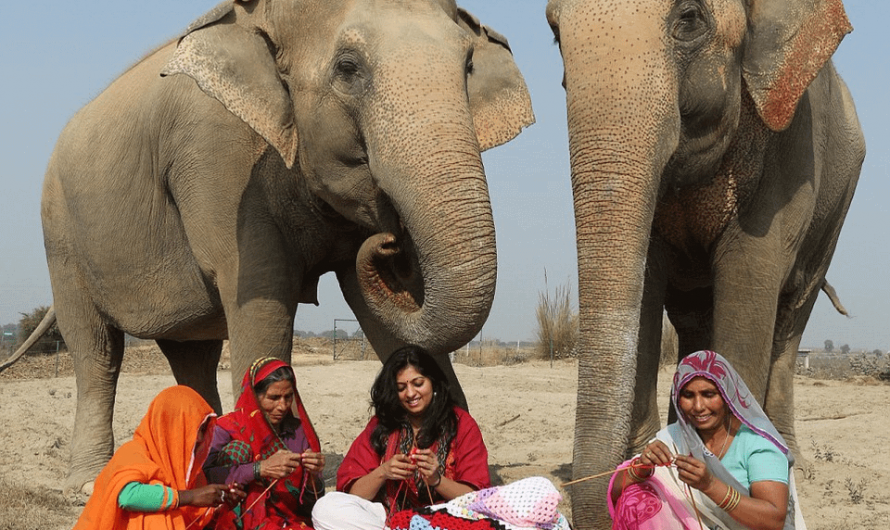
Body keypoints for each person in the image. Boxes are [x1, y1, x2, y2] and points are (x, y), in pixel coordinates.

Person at [608, 350, 806, 530]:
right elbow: (617, 490)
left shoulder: (757, 443)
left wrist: (710, 486)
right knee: (637, 497)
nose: (698, 406)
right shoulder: (676, 437)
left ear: (727, 395)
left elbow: (773, 520)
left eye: (708, 394)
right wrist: (641, 468)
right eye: (688, 395)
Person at [311, 345, 490, 530]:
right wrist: (383, 472)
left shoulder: (461, 424)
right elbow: (353, 494)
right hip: (389, 518)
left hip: (445, 519)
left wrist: (437, 480)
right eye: (401, 388)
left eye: (418, 384)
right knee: (325, 508)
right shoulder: (383, 423)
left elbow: (476, 499)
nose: (411, 394)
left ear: (434, 383)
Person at [73, 385, 246, 530]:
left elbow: (192, 519)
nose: (200, 438)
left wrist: (219, 502)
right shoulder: (134, 452)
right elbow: (127, 496)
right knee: (155, 514)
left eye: (202, 431)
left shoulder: (188, 470)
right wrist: (190, 497)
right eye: (193, 429)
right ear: (169, 425)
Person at [204, 357, 326, 530]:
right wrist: (259, 468)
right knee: (238, 450)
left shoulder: (298, 433)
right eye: (274, 398)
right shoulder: (228, 428)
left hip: (287, 520)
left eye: (288, 397)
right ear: (254, 396)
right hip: (235, 519)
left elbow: (310, 506)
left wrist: (314, 477)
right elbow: (204, 478)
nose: (283, 406)